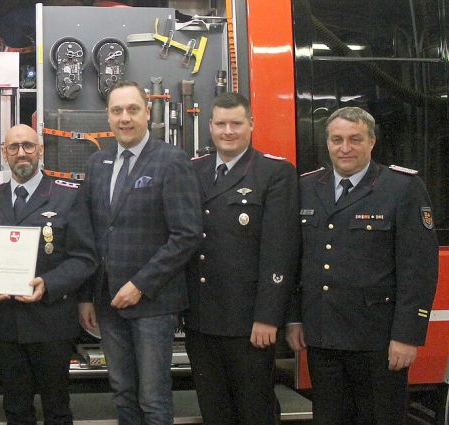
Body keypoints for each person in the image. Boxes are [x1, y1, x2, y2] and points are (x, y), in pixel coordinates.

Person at [286, 106, 438, 425]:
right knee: (329, 417)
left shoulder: (402, 188)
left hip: (377, 340)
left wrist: (407, 336)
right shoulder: (307, 187)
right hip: (323, 336)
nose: (345, 148)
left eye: (355, 139)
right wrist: (295, 318)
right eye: (337, 139)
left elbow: (419, 270)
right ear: (326, 142)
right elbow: (296, 261)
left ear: (372, 142)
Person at [75, 80, 202, 425]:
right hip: (108, 302)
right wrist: (87, 296)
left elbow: (186, 235)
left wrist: (141, 284)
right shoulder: (97, 164)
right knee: (123, 394)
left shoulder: (171, 161)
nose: (125, 118)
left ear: (147, 112)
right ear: (108, 117)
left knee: (153, 399)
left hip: (151, 304)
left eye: (132, 109)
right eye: (117, 111)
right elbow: (92, 237)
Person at [184, 92, 300, 424]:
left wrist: (268, 317)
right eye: (221, 124)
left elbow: (280, 250)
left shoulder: (274, 173)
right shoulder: (194, 169)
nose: (228, 131)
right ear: (210, 126)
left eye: (236, 123)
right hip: (201, 317)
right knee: (214, 409)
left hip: (249, 322)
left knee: (255, 410)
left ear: (251, 124)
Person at [0, 124, 97, 425]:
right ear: (4, 153)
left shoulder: (68, 196)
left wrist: (50, 283)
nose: (22, 153)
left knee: (57, 409)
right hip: (6, 324)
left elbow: (84, 258)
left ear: (40, 150)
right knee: (16, 410)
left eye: (28, 146)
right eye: (14, 147)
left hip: (51, 323)